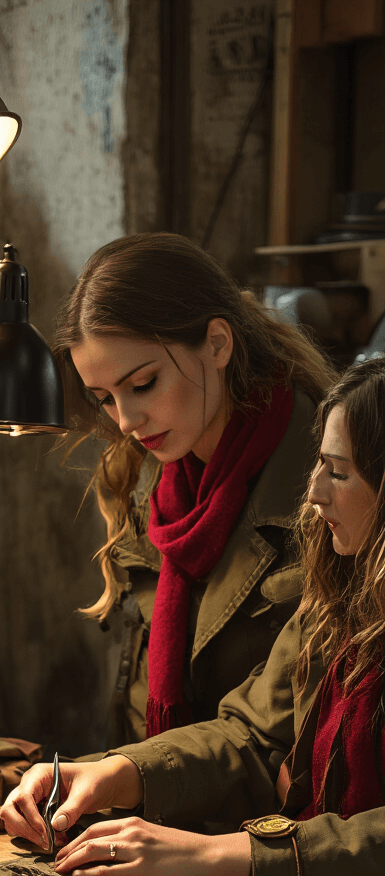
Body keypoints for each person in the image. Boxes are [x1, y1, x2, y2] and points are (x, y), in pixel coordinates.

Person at [2, 358, 385, 876]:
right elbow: (252, 736)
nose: (315, 493)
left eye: (340, 472)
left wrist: (215, 855)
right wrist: (115, 772)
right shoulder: (341, 602)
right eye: (318, 466)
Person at [53, 233, 335, 743]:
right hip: (151, 801)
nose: (125, 421)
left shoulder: (326, 487)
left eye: (142, 385)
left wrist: (126, 776)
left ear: (218, 344)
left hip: (259, 817)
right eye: (104, 398)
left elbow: (274, 736)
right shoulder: (150, 483)